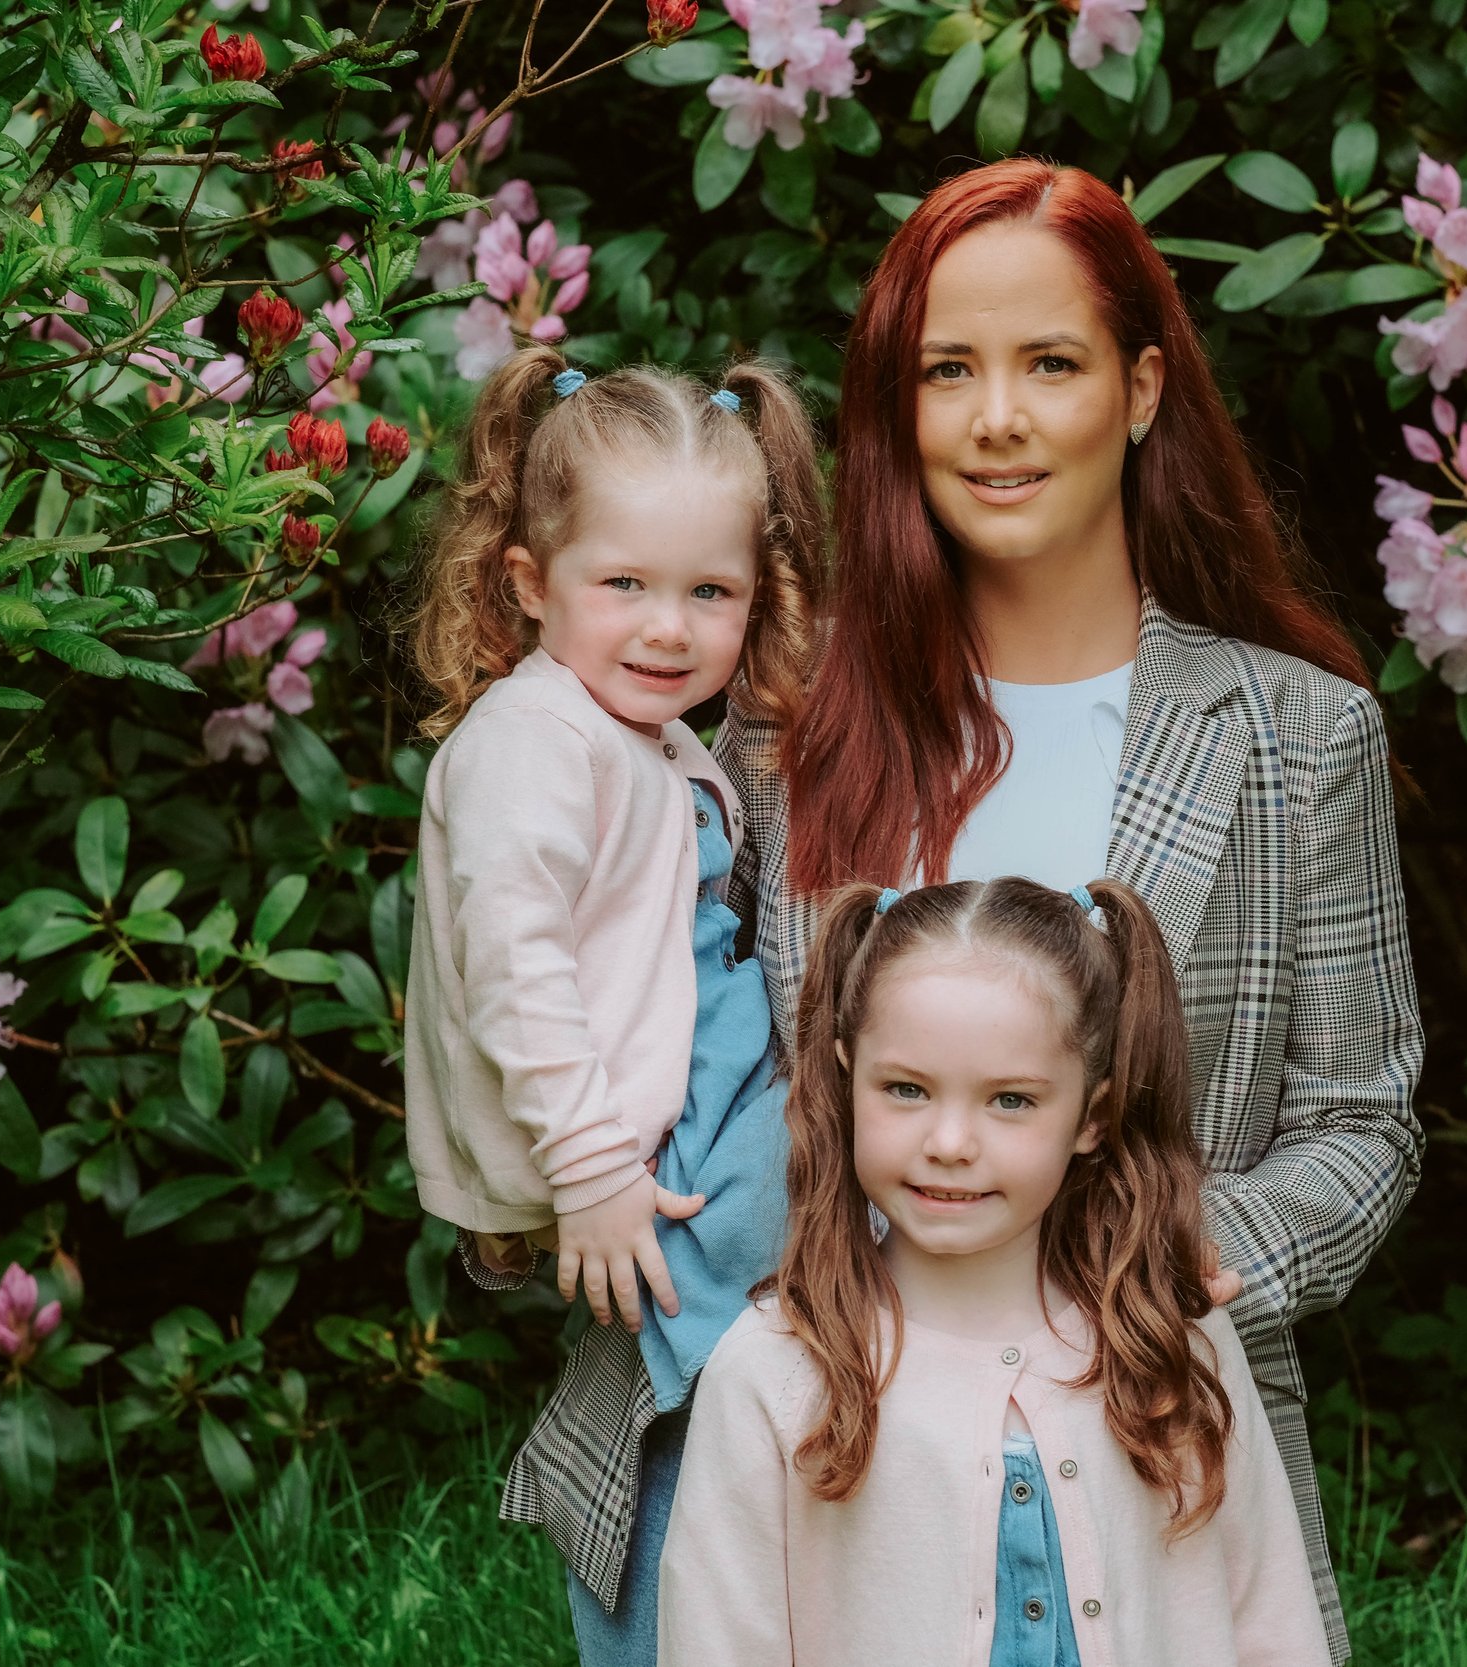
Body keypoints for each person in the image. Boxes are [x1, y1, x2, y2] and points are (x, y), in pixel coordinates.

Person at [716, 159, 1425, 1663]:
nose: (997, 419)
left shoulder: (1296, 734)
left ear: (1144, 386)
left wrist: (1152, 1266)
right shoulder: (793, 725)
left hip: (1167, 1452)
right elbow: (706, 1060)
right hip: (831, 1452)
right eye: (947, 371)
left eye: (1050, 364)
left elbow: (1364, 1125)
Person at [400, 346, 824, 1665]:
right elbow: (514, 965)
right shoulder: (533, 741)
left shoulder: (639, 733)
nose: (667, 627)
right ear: (529, 584)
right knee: (804, 1244)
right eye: (623, 584)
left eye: (711, 591)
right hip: (642, 1132)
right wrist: (589, 1167)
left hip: (691, 1084)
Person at [657, 877, 1331, 1666]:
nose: (949, 1140)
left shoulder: (1177, 1342)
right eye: (905, 1088)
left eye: (1010, 1100)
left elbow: (1271, 1623)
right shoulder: (772, 1371)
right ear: (845, 1079)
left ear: (1093, 1117)